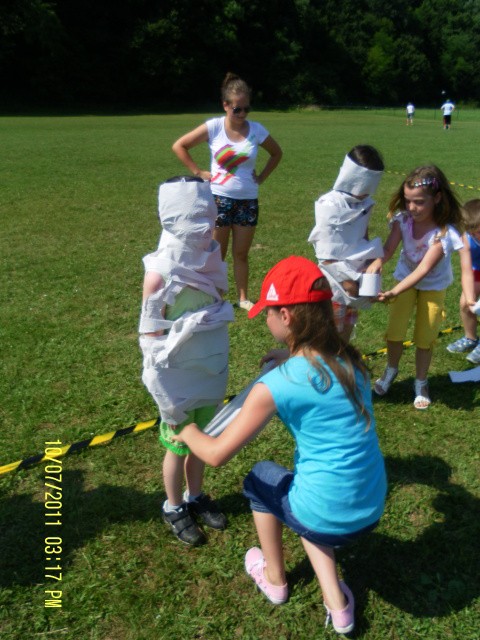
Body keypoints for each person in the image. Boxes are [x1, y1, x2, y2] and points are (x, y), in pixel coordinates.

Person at [172, 256, 387, 634]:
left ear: (285, 316)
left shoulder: (276, 385)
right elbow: (314, 371)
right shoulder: (351, 360)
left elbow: (216, 454)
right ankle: (337, 604)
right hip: (370, 505)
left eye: (268, 313)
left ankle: (275, 579)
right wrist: (290, 356)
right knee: (308, 497)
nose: (266, 319)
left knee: (260, 479)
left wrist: (186, 430)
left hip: (324, 511)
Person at [139, 176, 235, 546]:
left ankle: (195, 495)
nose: (208, 227)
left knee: (203, 438)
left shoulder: (211, 258)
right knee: (177, 445)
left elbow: (218, 301)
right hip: (176, 380)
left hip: (208, 370)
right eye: (196, 219)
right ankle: (173, 505)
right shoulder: (159, 277)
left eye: (209, 217)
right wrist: (166, 399)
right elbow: (151, 342)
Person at [172, 72, 283, 311]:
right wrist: (198, 171)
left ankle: (243, 298)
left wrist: (262, 177)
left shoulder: (256, 130)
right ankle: (216, 296)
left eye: (246, 109)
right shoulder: (214, 127)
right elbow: (179, 145)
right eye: (237, 109)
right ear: (225, 105)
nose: (242, 114)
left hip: (247, 201)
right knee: (217, 254)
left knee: (241, 253)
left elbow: (277, 153)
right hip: (219, 199)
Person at [367, 165, 467, 409]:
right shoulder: (403, 220)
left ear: (437, 198)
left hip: (433, 286)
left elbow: (423, 270)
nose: (412, 207)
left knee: (425, 336)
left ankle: (421, 381)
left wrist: (393, 291)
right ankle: (391, 370)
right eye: (408, 200)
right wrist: (379, 261)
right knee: (395, 331)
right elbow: (389, 248)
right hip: (405, 280)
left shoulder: (443, 233)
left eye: (419, 202)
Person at [308, 145, 385, 341]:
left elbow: (363, 238)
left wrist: (370, 266)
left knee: (346, 331)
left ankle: (342, 356)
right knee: (329, 333)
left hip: (355, 281)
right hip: (334, 283)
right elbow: (326, 254)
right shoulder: (330, 204)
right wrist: (348, 282)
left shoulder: (364, 204)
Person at [446, 199, 480, 363]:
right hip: (476, 271)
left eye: (479, 232)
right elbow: (466, 272)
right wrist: (469, 297)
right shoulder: (465, 239)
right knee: (465, 304)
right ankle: (470, 337)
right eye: (472, 233)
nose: (476, 236)